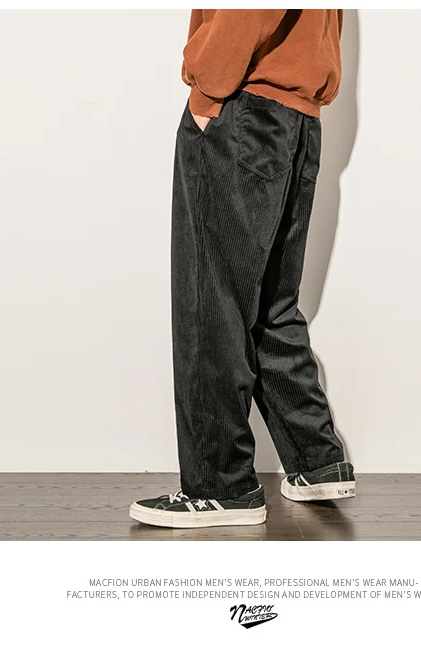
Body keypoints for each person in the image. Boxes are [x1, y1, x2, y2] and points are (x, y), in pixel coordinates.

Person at [130, 9, 355, 529]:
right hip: (298, 116)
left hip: (243, 109)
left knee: (211, 302)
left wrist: (208, 88)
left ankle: (220, 485)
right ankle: (316, 458)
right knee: (272, 302)